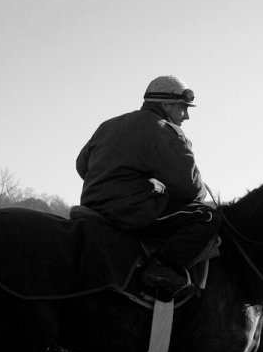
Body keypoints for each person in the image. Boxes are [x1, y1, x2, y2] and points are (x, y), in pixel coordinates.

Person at [76, 75, 221, 297]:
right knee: (208, 216)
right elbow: (191, 190)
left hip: (91, 208)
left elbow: (81, 166)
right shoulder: (164, 130)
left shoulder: (108, 125)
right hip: (131, 214)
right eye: (183, 108)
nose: (187, 116)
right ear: (166, 104)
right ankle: (161, 268)